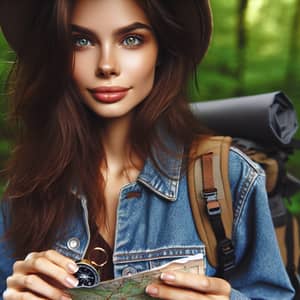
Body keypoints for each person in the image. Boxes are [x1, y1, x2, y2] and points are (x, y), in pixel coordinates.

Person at [0, 0, 295, 299]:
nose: (106, 65)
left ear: (161, 50)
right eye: (81, 41)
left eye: (131, 39)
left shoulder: (227, 176)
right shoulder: (24, 189)